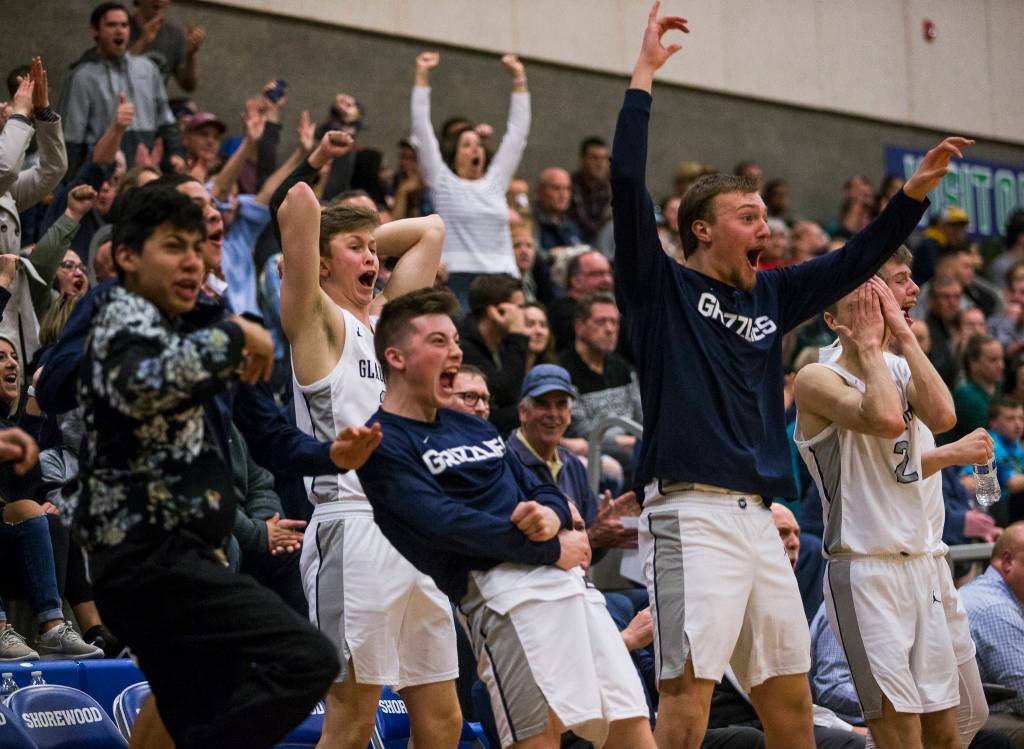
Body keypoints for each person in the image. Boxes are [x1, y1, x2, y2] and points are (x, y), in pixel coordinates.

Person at [611, 5, 968, 748]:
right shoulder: (661, 288)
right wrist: (642, 77)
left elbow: (852, 260)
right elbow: (623, 183)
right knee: (685, 703)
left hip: (758, 518)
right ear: (701, 228)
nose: (764, 225)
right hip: (689, 515)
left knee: (793, 709)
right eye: (748, 216)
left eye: (765, 214)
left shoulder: (770, 295)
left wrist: (913, 198)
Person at [75, 186, 338, 749]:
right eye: (174, 246)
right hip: (154, 561)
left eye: (198, 246)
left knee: (192, 713)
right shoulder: (118, 314)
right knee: (307, 659)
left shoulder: (186, 325)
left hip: (181, 558)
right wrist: (233, 333)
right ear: (125, 256)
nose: (193, 260)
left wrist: (331, 455)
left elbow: (259, 432)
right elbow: (140, 384)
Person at [357, 287, 655, 749]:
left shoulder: (475, 426)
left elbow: (540, 488)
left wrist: (551, 517)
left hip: (572, 590)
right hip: (502, 599)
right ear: (396, 357)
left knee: (631, 729)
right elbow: (447, 526)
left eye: (456, 340)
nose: (455, 351)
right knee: (537, 739)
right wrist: (552, 548)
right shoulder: (383, 443)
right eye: (438, 341)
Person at [277, 181, 460, 749]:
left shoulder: (386, 328)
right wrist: (330, 238)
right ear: (323, 262)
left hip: (413, 530)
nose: (374, 259)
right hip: (351, 526)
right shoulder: (317, 322)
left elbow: (431, 229)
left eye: (375, 250)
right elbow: (299, 203)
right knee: (354, 717)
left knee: (444, 718)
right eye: (357, 249)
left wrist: (357, 238)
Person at [794, 277, 983, 749]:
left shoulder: (900, 365)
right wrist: (872, 348)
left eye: (877, 303)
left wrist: (901, 333)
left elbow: (943, 417)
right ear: (833, 321)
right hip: (864, 568)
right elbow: (884, 418)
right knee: (899, 734)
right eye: (859, 306)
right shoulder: (818, 377)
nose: (871, 314)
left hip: (920, 565)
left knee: (947, 728)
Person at [410, 51, 530, 310]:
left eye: (477, 145)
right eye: (466, 145)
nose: (474, 149)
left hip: (503, 278)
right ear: (455, 154)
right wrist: (422, 76)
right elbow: (422, 130)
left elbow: (517, 135)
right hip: (459, 280)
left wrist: (519, 79)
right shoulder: (442, 182)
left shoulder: (496, 182)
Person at [59, 2, 185, 178]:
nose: (119, 31)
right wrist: (70, 180)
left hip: (143, 165)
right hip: (100, 169)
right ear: (95, 30)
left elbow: (165, 118)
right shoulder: (83, 76)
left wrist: (176, 153)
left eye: (124, 25)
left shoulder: (148, 69)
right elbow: (72, 136)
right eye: (111, 25)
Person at [558, 292, 642, 473]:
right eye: (601, 322)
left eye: (614, 322)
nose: (610, 329)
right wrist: (636, 441)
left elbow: (642, 417)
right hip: (592, 451)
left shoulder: (622, 367)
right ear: (580, 327)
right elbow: (583, 433)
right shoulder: (564, 372)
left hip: (633, 443)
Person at [960, 523, 1024, 748]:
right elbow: (1022, 695)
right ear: (1007, 561)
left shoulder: (1001, 596)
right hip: (965, 721)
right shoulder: (995, 608)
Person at [457, 273, 530, 435]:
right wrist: (517, 335)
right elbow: (505, 394)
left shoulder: (501, 342)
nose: (524, 314)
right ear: (496, 312)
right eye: (519, 307)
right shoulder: (463, 346)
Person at [128, 0, 205, 92]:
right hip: (123, 99)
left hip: (156, 103)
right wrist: (142, 41)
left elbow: (189, 86)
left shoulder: (174, 34)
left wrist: (191, 55)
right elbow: (115, 71)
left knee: (188, 106)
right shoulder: (121, 28)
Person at [547, 250, 614, 352]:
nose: (607, 280)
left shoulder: (615, 312)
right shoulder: (562, 314)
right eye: (597, 274)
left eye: (609, 273)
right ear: (576, 281)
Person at [947, 335, 1005, 444]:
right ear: (973, 363)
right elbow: (988, 437)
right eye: (993, 360)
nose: (1001, 365)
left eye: (1002, 359)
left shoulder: (999, 385)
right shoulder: (966, 395)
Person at [570, 137, 612, 245]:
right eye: (594, 158)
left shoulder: (613, 187)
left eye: (604, 158)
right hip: (577, 241)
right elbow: (585, 226)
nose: (600, 164)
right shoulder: (569, 186)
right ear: (582, 160)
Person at [535, 167, 583, 253]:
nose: (563, 195)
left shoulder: (571, 226)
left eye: (567, 189)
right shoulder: (532, 225)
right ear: (540, 191)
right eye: (556, 188)